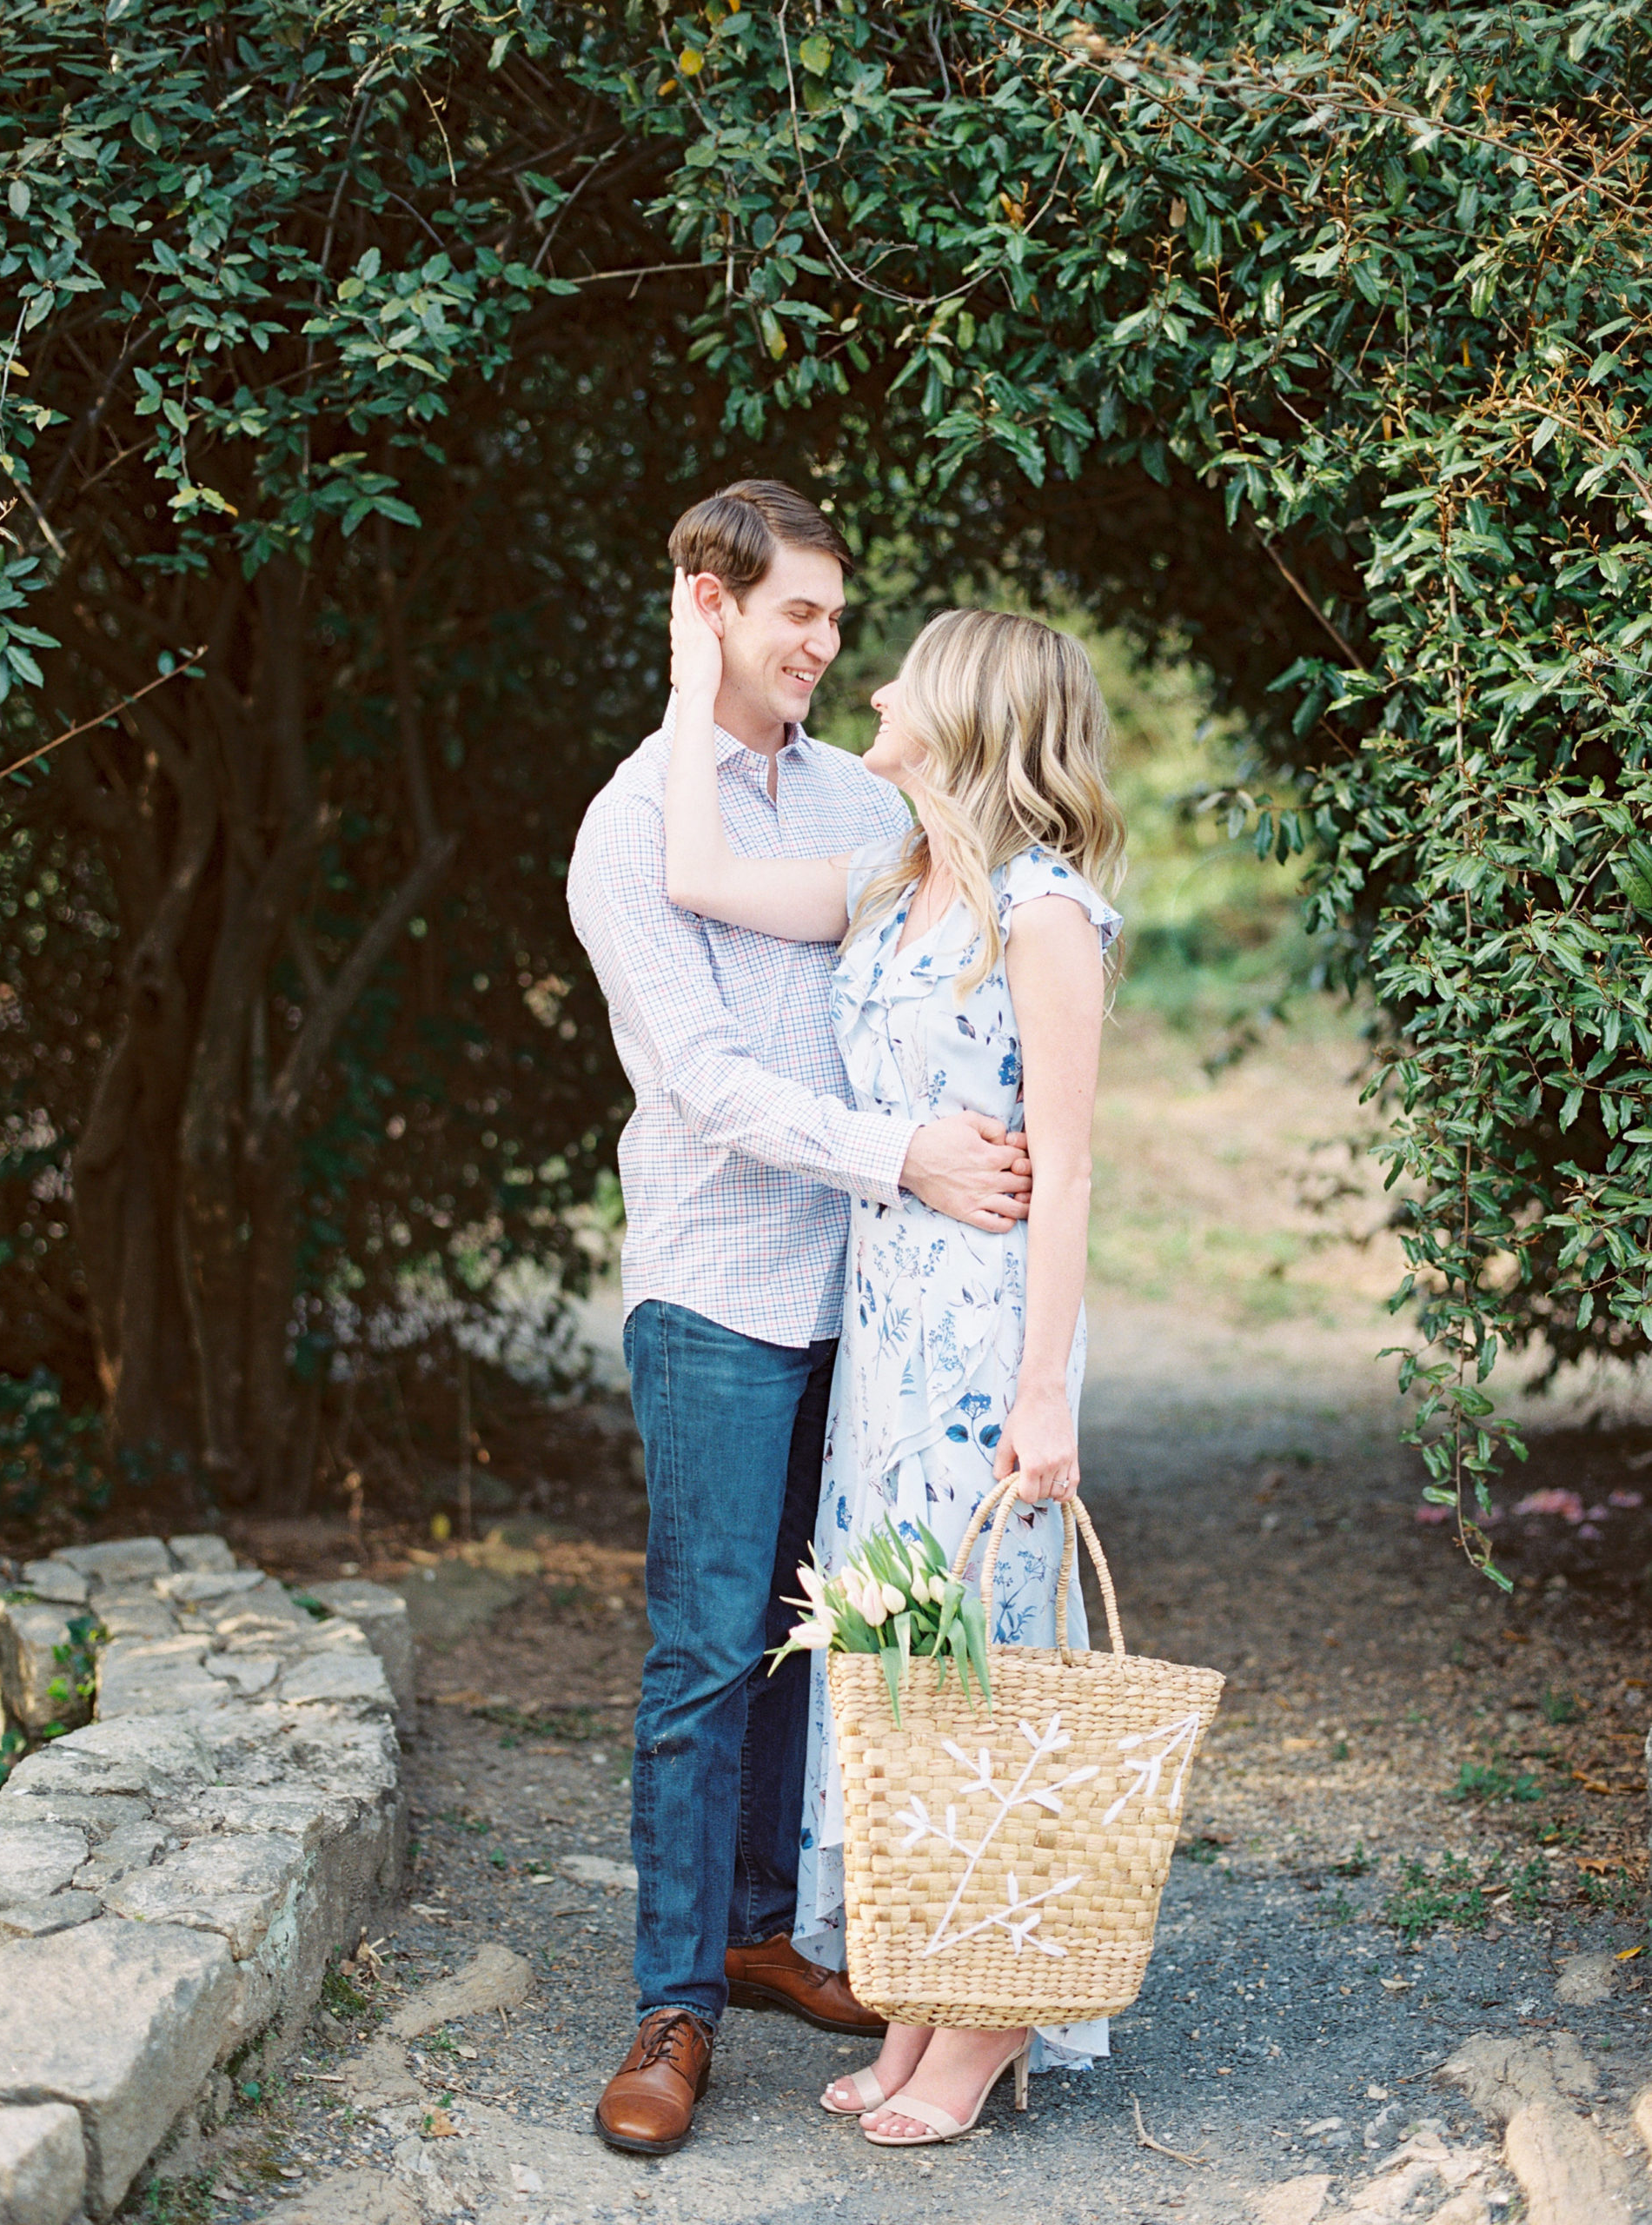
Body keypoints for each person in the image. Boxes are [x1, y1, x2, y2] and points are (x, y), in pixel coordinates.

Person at [567, 481, 1041, 2158]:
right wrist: (900, 1155)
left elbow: (974, 950)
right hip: (718, 1283)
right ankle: (674, 2002)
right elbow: (701, 1083)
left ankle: (771, 1926)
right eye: (798, 618)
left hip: (886, 1300)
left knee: (817, 1630)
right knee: (705, 1647)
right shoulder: (631, 829)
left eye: (842, 621)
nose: (829, 649)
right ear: (708, 604)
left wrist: (1008, 1114)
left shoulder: (858, 794)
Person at [663, 587, 1124, 2149]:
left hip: (987, 1347)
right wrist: (687, 677)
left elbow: (1062, 1173)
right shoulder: (891, 881)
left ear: (972, 711)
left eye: (906, 674)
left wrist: (1047, 1393)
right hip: (885, 1338)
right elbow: (698, 872)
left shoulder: (1043, 912)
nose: (873, 688)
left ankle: (982, 2028)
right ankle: (920, 1993)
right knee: (903, 1670)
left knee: (986, 1661)